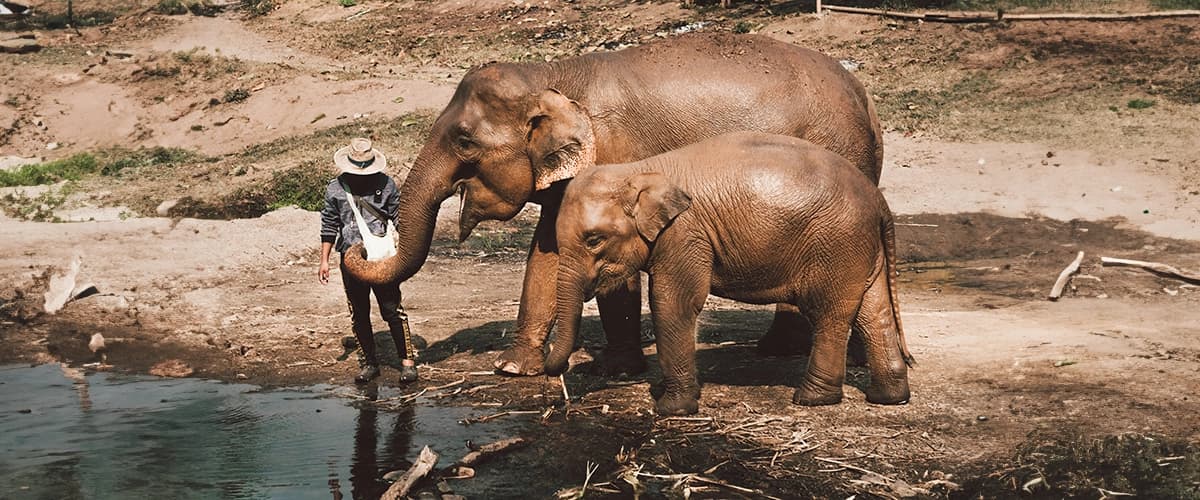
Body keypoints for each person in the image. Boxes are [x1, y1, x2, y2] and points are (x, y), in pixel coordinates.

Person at [319, 137, 418, 384]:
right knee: (359, 313)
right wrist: (324, 260)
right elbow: (329, 225)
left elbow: (398, 217)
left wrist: (406, 251)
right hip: (350, 259)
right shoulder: (335, 189)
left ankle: (407, 362)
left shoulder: (386, 185)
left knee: (392, 310)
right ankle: (369, 363)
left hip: (380, 259)